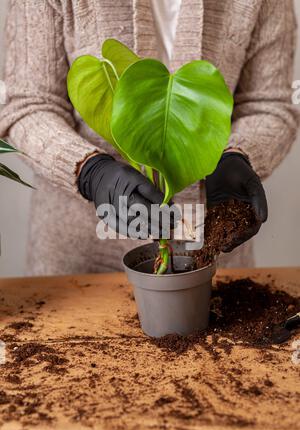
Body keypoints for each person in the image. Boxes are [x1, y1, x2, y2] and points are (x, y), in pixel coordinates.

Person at [0, 0, 298, 275]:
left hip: (215, 265)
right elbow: (28, 104)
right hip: (77, 272)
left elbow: (268, 104)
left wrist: (238, 154)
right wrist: (89, 171)